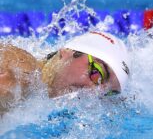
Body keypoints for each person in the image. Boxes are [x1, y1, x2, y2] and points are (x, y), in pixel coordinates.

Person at [0, 31, 130, 115]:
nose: (94, 93)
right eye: (97, 74)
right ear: (67, 52)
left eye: (107, 93)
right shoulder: (20, 73)